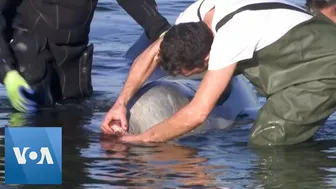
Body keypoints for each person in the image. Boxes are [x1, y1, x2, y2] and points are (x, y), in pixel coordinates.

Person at [101, 0, 336, 146]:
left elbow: (198, 113)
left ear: (207, 59)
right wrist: (120, 103)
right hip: (297, 59)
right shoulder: (191, 19)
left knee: (268, 140)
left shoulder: (230, 40)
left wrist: (141, 140)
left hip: (322, 69)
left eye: (195, 72)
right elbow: (152, 54)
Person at [0, 0, 170, 112]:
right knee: (36, 132)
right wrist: (7, 72)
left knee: (73, 145)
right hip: (31, 56)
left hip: (74, 60)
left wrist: (163, 30)